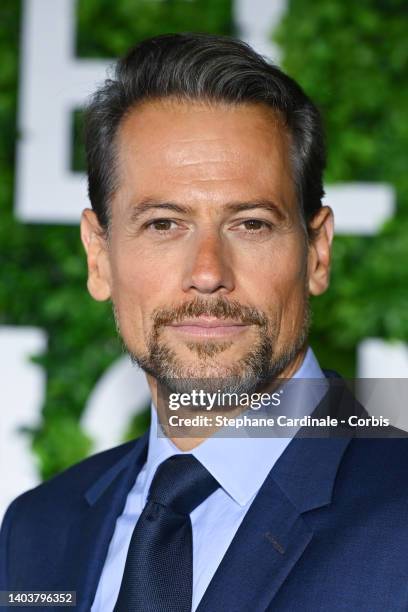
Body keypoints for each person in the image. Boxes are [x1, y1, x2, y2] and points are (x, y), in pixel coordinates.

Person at [1, 33, 407, 612]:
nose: (208, 273)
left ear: (316, 252)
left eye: (251, 224)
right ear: (99, 256)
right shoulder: (37, 532)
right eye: (164, 224)